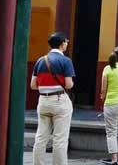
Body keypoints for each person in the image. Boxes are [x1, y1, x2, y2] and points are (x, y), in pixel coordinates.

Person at [31, 32, 76, 165]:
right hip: (59, 100)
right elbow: (68, 84)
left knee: (40, 138)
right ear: (62, 44)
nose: (67, 44)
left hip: (43, 101)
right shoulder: (66, 61)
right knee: (60, 139)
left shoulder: (40, 60)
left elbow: (33, 85)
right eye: (66, 42)